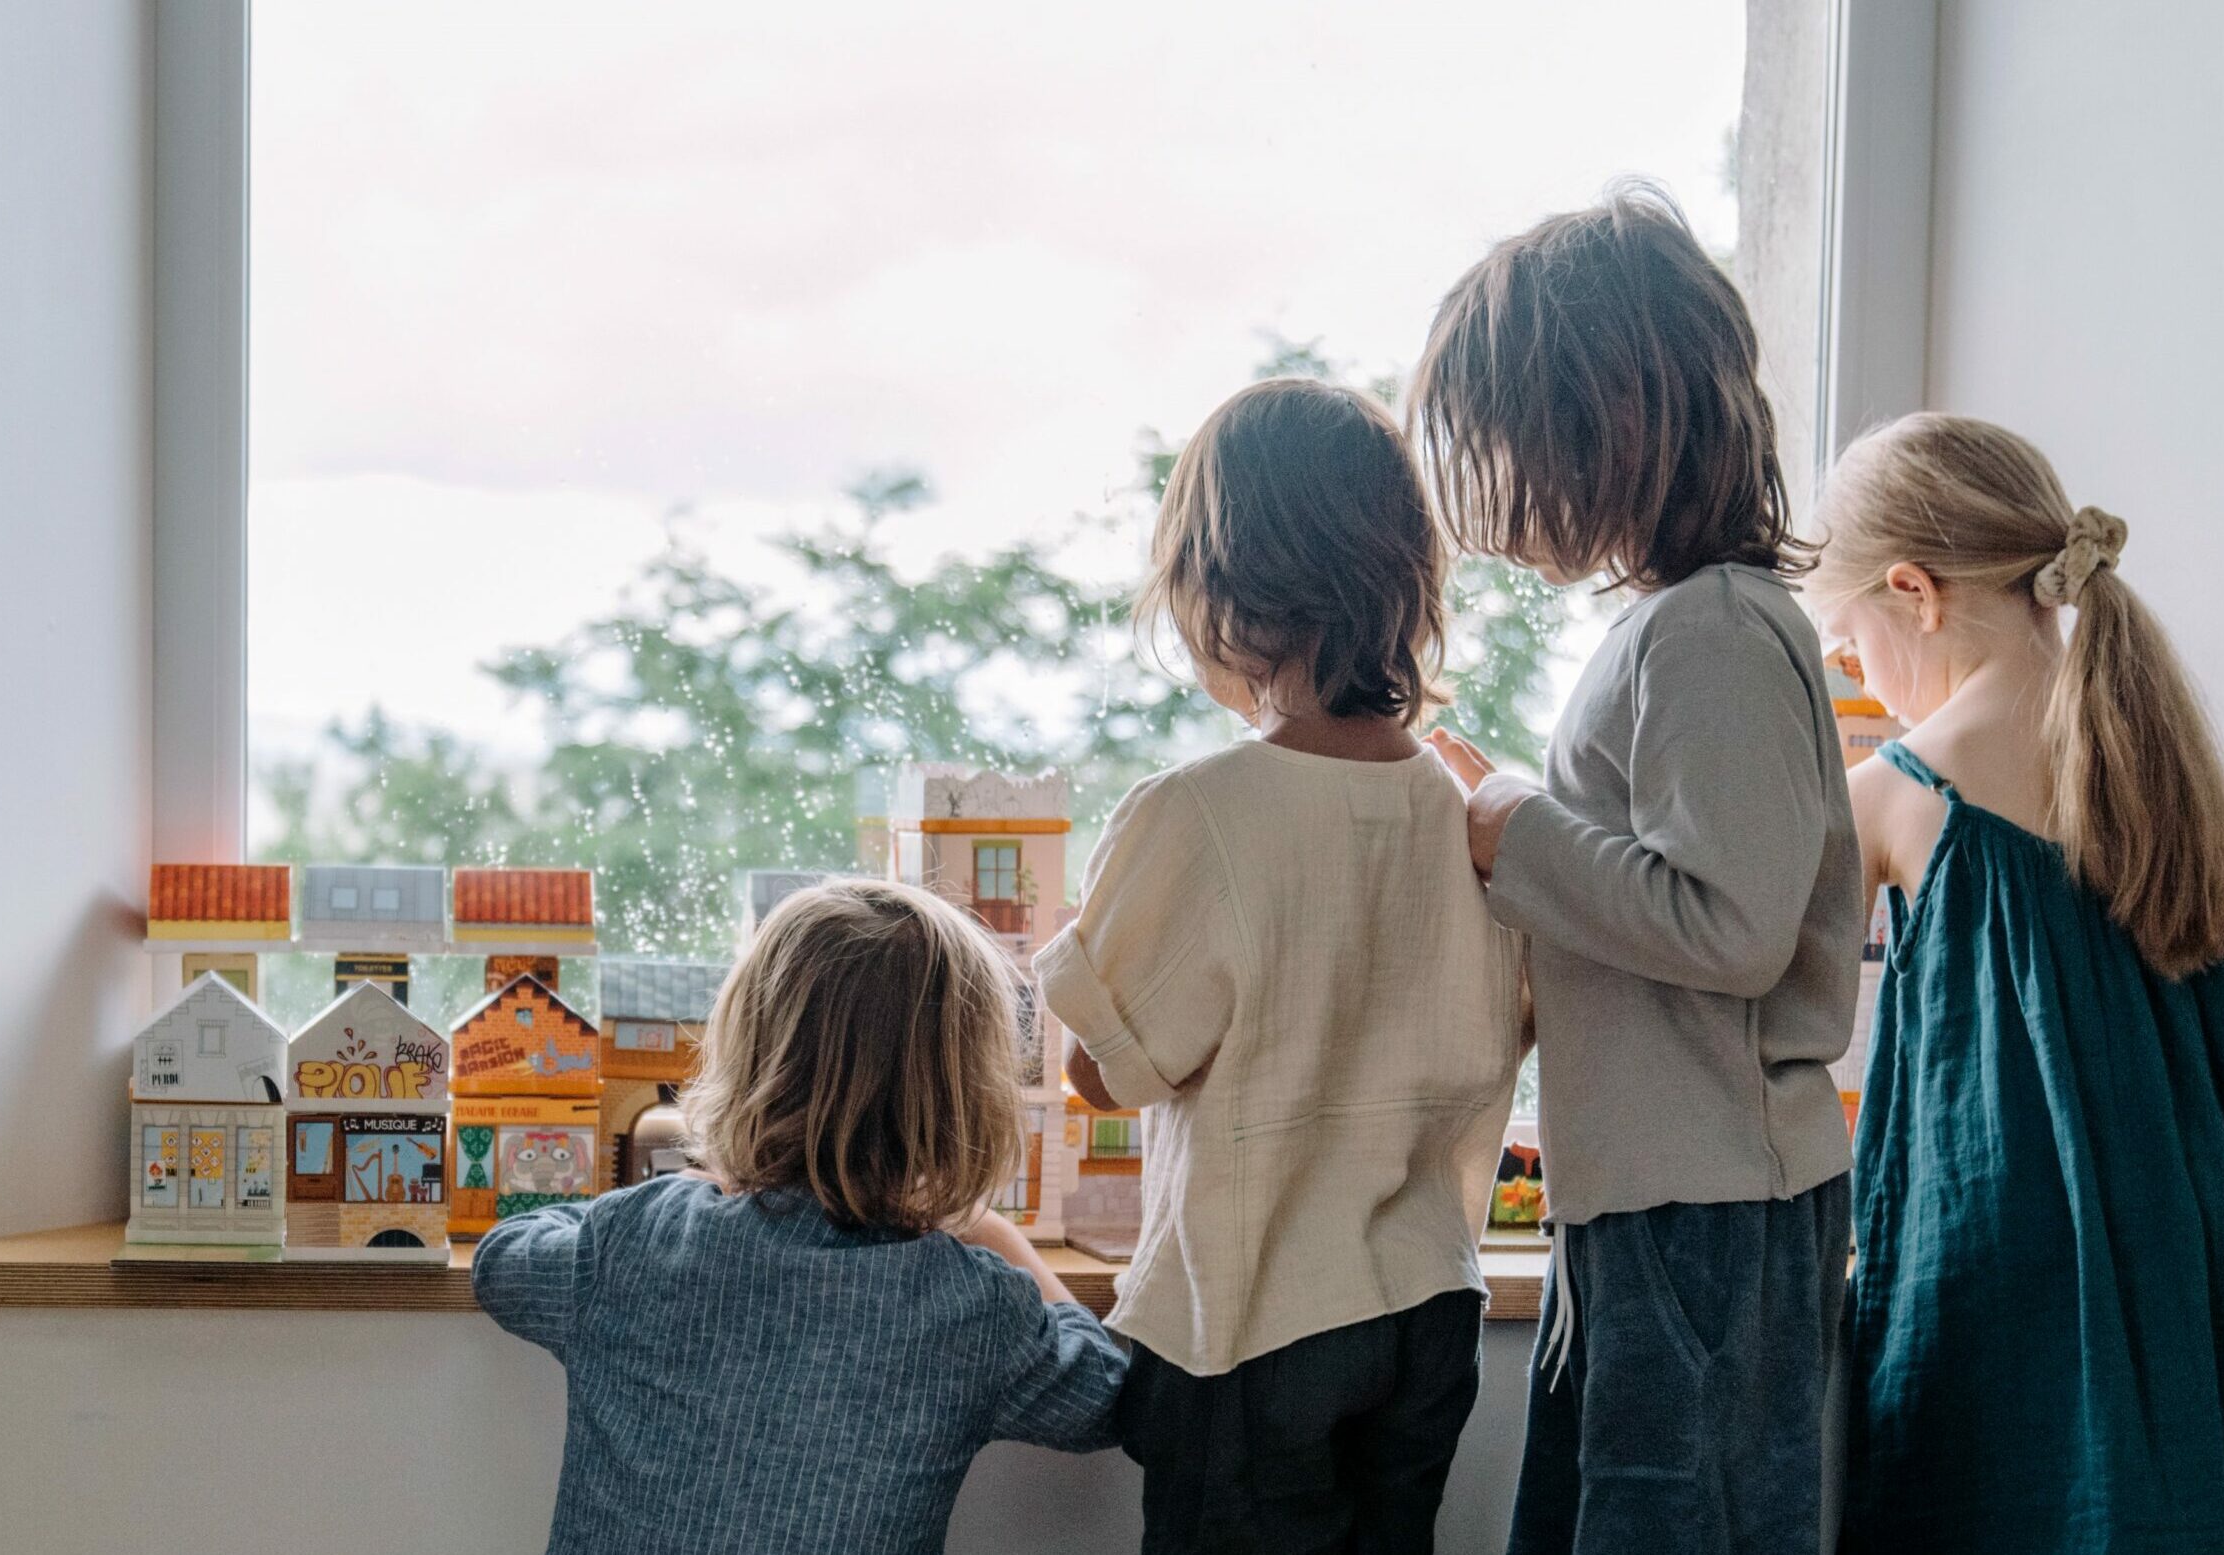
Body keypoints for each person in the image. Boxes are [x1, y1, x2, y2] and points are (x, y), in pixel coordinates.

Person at [1808, 411, 2224, 1553]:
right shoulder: (2161, 754)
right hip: (2193, 1233)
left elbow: (1806, 1031)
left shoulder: (1892, 790)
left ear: (1913, 592)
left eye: (1850, 646)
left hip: (1994, 1254)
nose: (1859, 677)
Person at [1410, 181, 1859, 1555]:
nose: (1491, 485)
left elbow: (1730, 928)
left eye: (1505, 442)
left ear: (1603, 423)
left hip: (1711, 1202)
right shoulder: (1680, 624)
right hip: (1662, 1189)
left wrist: (1511, 831)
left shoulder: (1712, 630)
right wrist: (1524, 810)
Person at [1036, 375, 1528, 1553]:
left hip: (1258, 1319)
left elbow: (1111, 1073)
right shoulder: (1476, 806)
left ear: (1220, 594)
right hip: (1428, 1305)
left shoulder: (1199, 813)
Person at [475, 878, 1124, 1555]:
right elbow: (1102, 1394)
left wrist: (689, 1187)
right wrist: (994, 1232)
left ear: (750, 1050)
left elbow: (502, 1259)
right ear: (963, 1097)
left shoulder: (638, 1240)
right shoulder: (971, 1305)